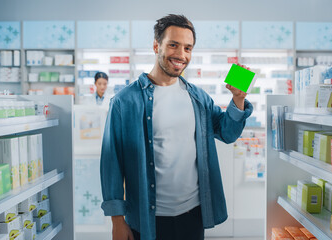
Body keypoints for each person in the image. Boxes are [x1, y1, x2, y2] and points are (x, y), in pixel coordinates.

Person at [100, 14, 253, 240]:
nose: (181, 55)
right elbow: (111, 164)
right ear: (156, 46)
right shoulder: (124, 102)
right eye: (173, 45)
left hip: (192, 216)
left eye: (188, 48)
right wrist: (117, 221)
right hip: (146, 219)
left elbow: (227, 133)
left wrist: (238, 98)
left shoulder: (199, 98)